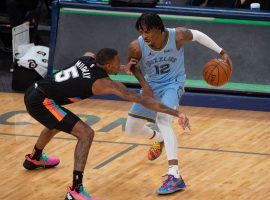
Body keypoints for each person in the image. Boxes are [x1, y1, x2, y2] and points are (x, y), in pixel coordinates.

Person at [23, 48, 190, 200]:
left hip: (34, 89)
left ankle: (34, 158)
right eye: (117, 64)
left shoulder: (87, 58)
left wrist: (123, 67)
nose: (120, 66)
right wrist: (176, 113)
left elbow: (89, 52)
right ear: (108, 66)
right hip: (41, 101)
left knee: (57, 121)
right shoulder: (103, 83)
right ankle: (75, 190)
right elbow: (144, 100)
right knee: (86, 133)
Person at [124, 13, 232, 195]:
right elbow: (133, 66)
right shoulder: (136, 46)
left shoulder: (178, 36)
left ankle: (174, 175)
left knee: (163, 120)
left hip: (173, 84)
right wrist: (144, 85)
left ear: (159, 29)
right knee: (130, 129)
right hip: (151, 86)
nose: (145, 36)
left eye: (148, 31)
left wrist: (222, 52)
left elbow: (197, 35)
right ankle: (158, 139)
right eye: (142, 32)